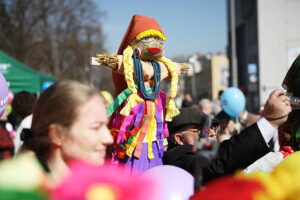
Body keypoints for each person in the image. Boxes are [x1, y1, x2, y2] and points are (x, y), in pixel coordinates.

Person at [163, 89, 291, 187]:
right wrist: (269, 121)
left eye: (213, 129)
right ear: (180, 139)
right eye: (203, 131)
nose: (212, 134)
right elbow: (219, 161)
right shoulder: (178, 155)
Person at [21, 80, 113, 183]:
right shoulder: (21, 191)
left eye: (106, 126)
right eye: (96, 128)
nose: (109, 139)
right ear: (58, 135)